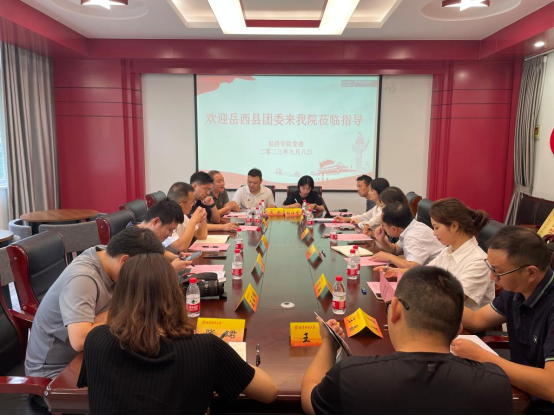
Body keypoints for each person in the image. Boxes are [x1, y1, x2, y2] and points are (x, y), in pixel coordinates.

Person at [78, 253, 279, 415]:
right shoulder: (207, 348)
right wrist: (229, 357)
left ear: (120, 296)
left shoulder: (96, 340)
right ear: (175, 293)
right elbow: (269, 392)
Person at [301, 266, 514, 415]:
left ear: (395, 310)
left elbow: (309, 399)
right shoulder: (495, 384)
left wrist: (329, 343)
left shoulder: (351, 376)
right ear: (459, 329)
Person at [25, 227, 165, 379]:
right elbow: (80, 340)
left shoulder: (107, 256)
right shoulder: (83, 278)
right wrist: (126, 307)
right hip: (55, 371)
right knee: (144, 379)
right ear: (124, 261)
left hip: (91, 352)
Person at [452, 227, 554, 414]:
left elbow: (551, 386)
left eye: (497, 272)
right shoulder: (515, 291)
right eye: (490, 268)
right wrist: (437, 297)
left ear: (531, 273)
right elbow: (476, 320)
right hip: (520, 389)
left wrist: (482, 356)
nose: (492, 278)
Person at [377, 198, 495, 311]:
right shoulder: (448, 251)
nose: (434, 233)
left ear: (454, 226)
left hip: (457, 320)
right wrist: (396, 272)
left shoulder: (479, 261)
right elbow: (425, 272)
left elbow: (451, 300)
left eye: (436, 228)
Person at [370, 202, 443, 268]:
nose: (381, 227)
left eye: (382, 225)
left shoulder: (413, 236)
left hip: (437, 274)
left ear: (394, 229)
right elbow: (395, 250)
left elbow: (412, 267)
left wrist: (389, 257)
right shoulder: (410, 227)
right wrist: (381, 240)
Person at [135, 199, 191, 273]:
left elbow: (161, 252)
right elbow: (143, 276)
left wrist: (178, 257)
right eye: (170, 229)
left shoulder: (149, 235)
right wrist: (172, 269)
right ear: (155, 221)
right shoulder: (134, 241)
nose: (170, 234)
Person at [163, 182, 209, 253]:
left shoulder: (182, 216)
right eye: (192, 202)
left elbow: (201, 235)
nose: (193, 205)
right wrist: (193, 221)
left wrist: (202, 220)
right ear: (181, 206)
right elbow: (181, 247)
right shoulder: (165, 220)